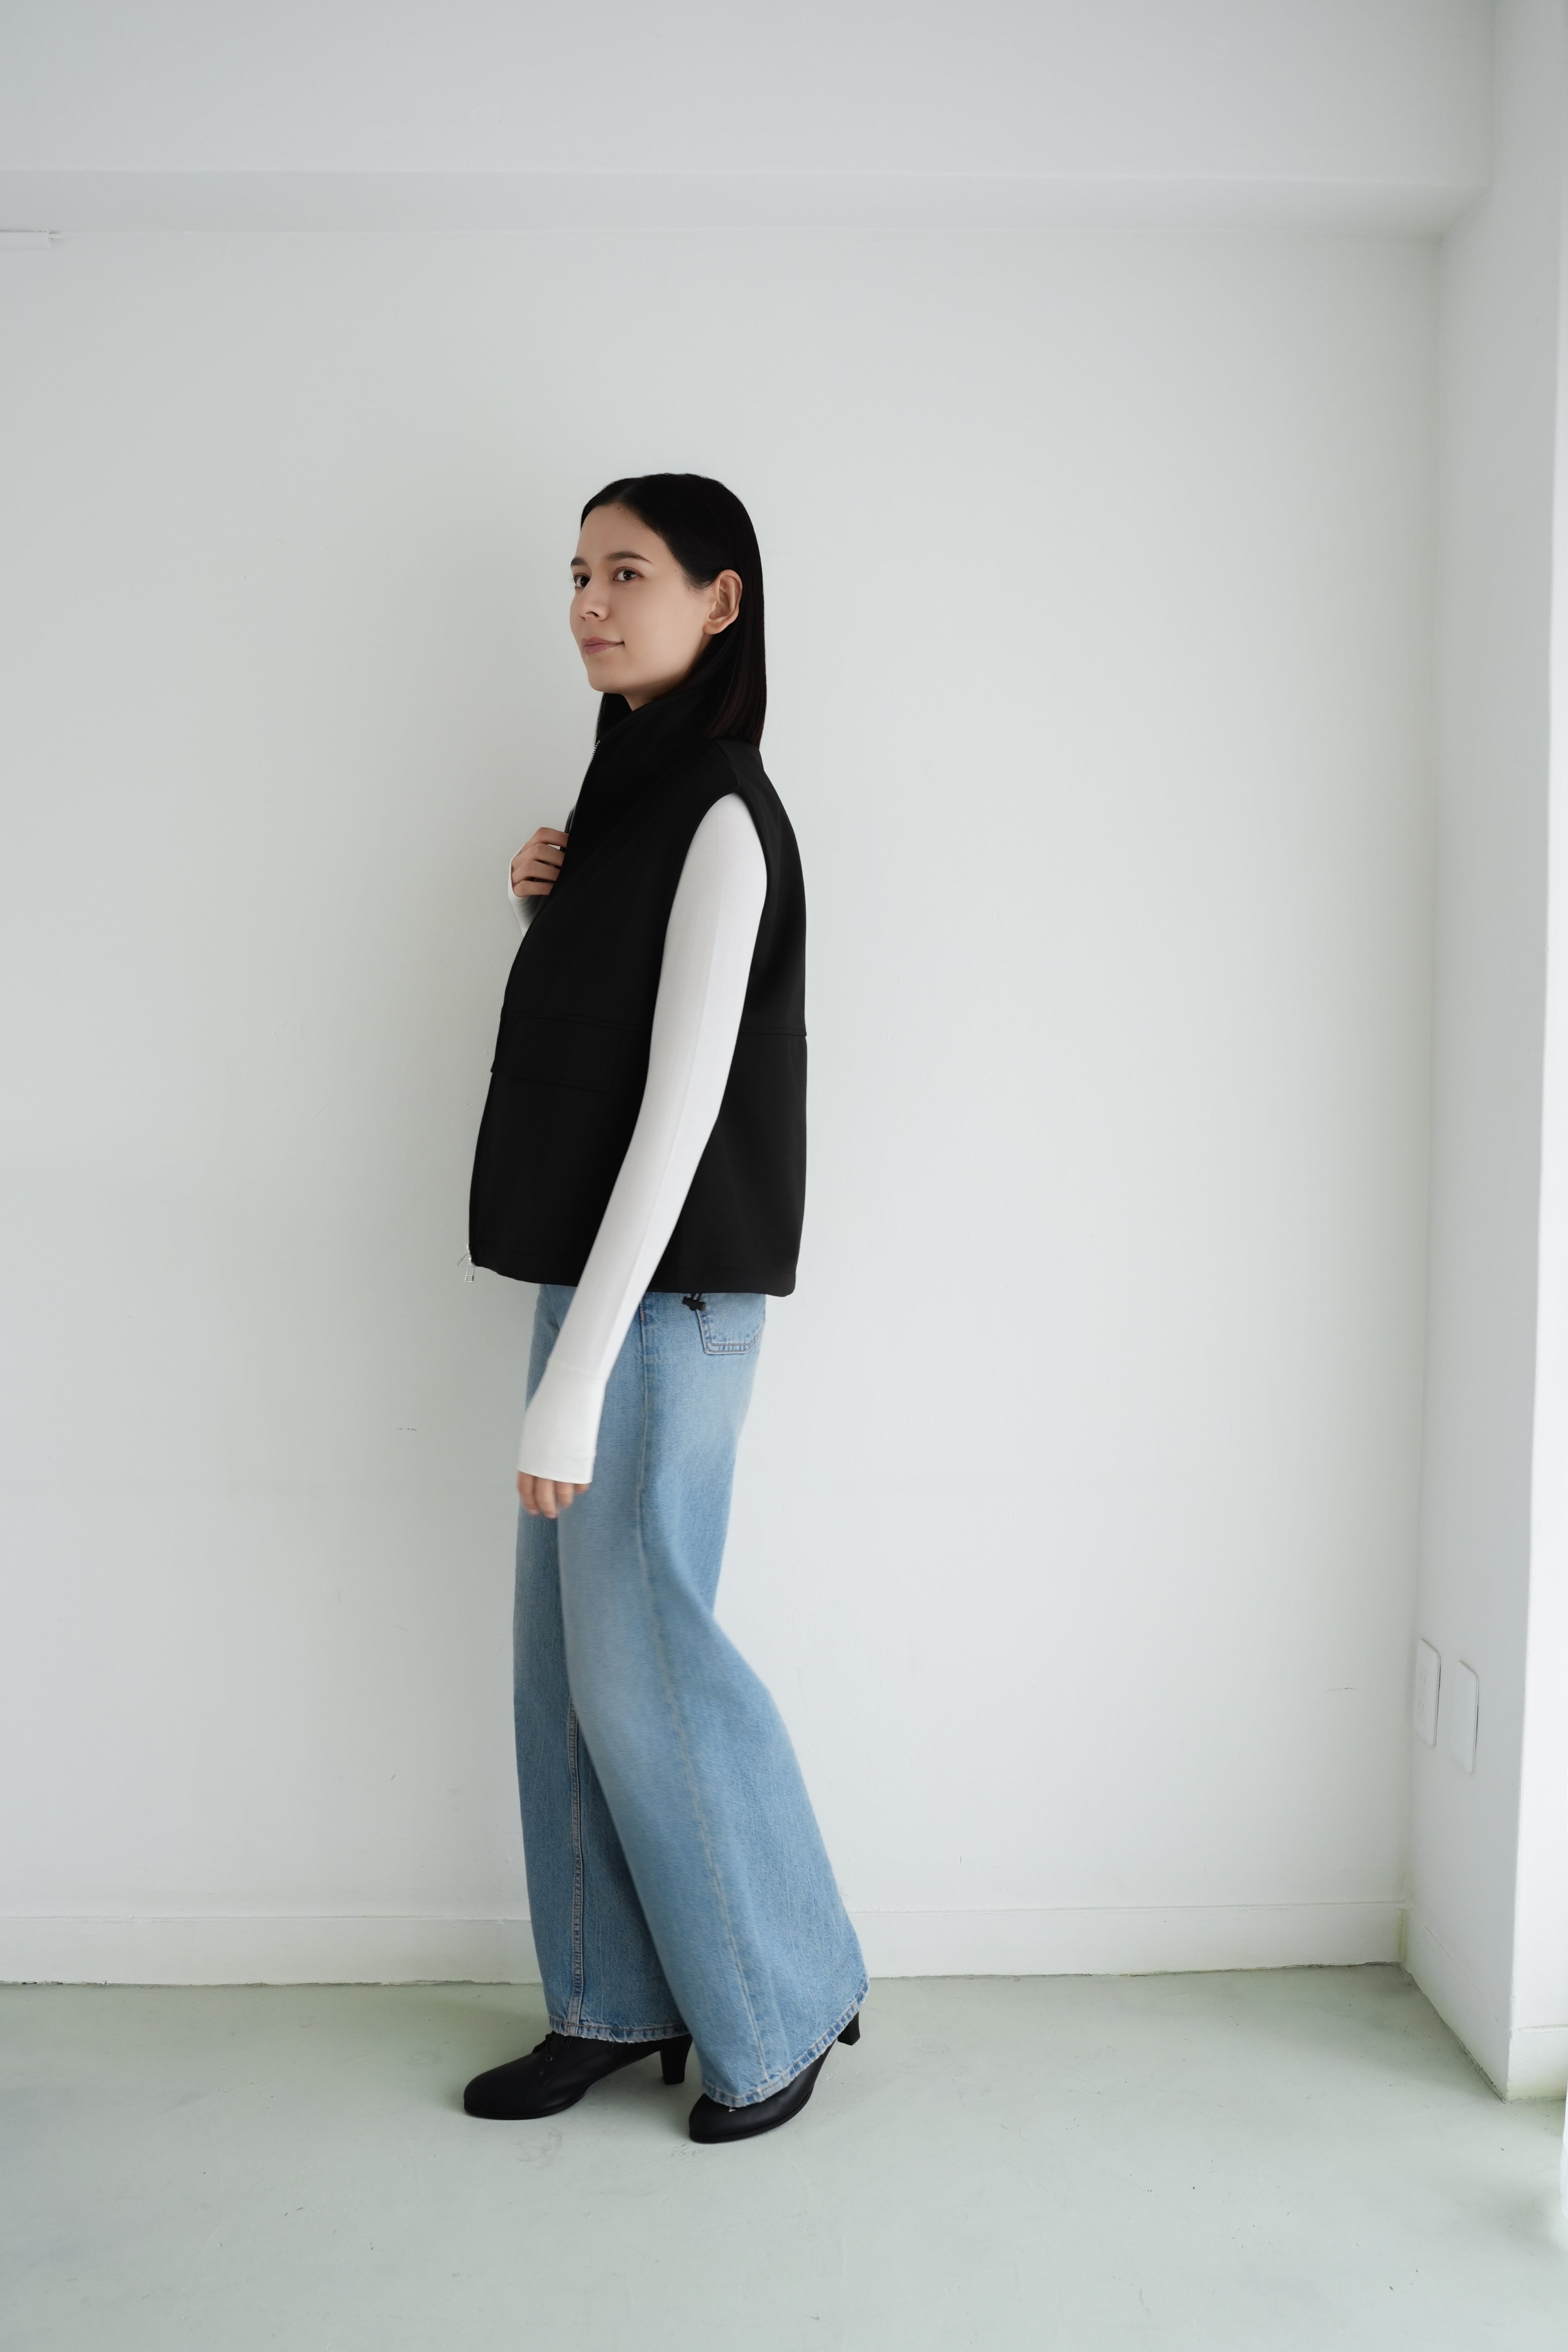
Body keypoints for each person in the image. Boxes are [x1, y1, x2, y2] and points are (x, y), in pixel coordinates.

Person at [462, 474, 866, 2145]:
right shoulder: (624, 806)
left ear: (723, 599)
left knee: (648, 1671)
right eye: (577, 573)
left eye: (628, 572)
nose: (589, 603)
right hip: (602, 1281)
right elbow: (615, 1039)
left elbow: (686, 1108)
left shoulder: (719, 811)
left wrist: (578, 1377)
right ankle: (611, 2002)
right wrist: (545, 909)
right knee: (566, 1673)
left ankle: (783, 1998)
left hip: (663, 1302)